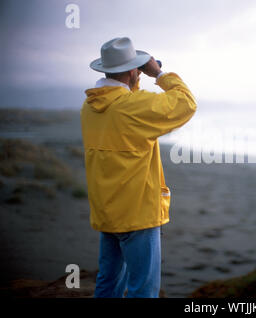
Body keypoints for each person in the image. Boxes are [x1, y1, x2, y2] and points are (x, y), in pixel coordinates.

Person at [80, 37, 196, 298]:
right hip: (138, 215)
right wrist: (159, 74)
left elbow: (125, 105)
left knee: (108, 283)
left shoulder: (89, 107)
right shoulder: (132, 108)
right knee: (143, 289)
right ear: (134, 70)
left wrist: (134, 79)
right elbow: (186, 104)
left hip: (107, 210)